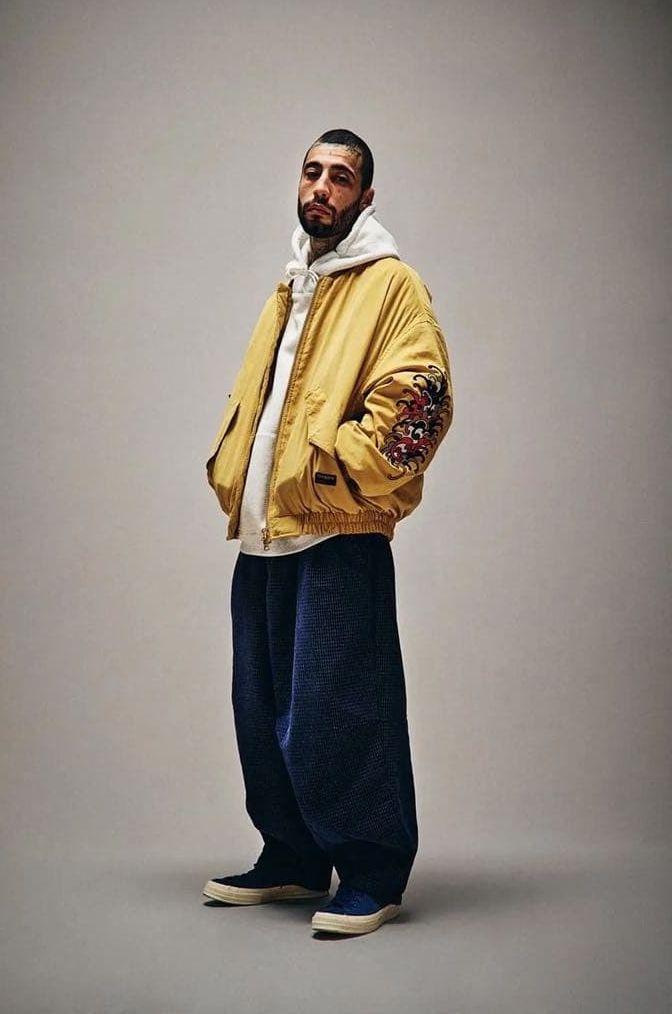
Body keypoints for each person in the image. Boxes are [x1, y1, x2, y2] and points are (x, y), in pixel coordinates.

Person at [202, 129, 453, 936]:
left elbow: (420, 403)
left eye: (340, 177)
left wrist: (335, 472)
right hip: (264, 531)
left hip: (336, 531)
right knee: (261, 709)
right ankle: (294, 855)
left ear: (365, 197)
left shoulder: (390, 285)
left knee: (338, 710)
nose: (321, 187)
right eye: (312, 172)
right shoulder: (292, 283)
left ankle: (373, 871)